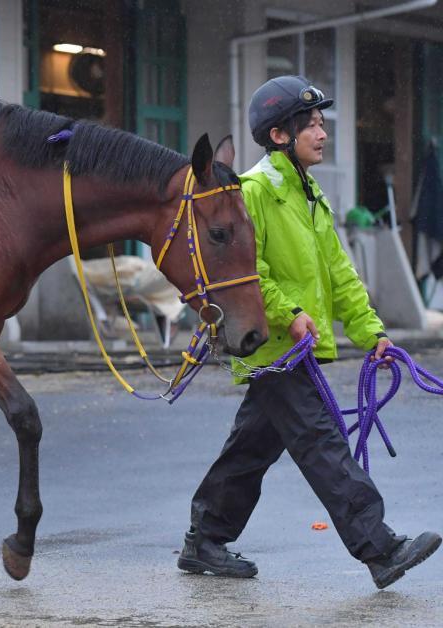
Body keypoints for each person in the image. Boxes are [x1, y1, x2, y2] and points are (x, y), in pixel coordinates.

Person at [176, 75, 440, 589]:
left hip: (300, 348)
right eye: (312, 125)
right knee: (322, 443)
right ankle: (379, 548)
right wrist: (288, 311)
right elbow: (249, 274)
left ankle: (204, 540)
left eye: (323, 123)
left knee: (251, 448)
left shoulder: (309, 193)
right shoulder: (253, 193)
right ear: (280, 135)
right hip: (275, 346)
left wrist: (372, 334)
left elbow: (339, 273)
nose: (323, 134)